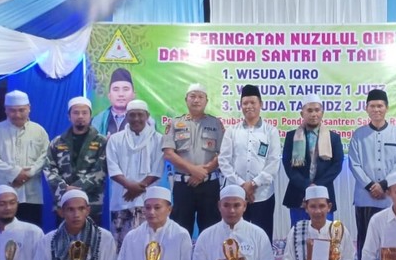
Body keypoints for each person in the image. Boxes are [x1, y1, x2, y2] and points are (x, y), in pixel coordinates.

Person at [348, 88, 396, 260]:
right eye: (372, 106)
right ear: (366, 109)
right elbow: (354, 164)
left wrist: (384, 185)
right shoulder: (359, 134)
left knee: (389, 238)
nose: (376, 109)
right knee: (365, 238)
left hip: (388, 198)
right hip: (364, 198)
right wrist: (370, 186)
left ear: (387, 108)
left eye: (380, 105)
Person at [219, 84, 281, 242]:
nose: (249, 106)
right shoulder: (232, 131)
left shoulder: (270, 131)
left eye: (253, 102)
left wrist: (253, 184)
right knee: (235, 238)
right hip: (236, 195)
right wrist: (242, 185)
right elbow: (224, 161)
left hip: (263, 195)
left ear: (261, 104)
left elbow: (273, 162)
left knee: (263, 237)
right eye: (245, 103)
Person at [162, 83, 225, 235]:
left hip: (209, 185)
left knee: (211, 231)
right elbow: (168, 153)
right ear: (186, 100)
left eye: (200, 97)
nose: (196, 100)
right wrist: (194, 171)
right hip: (183, 186)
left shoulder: (216, 123)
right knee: (180, 230)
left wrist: (206, 170)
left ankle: (209, 259)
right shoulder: (174, 123)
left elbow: (224, 153)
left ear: (206, 101)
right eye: (193, 96)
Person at [0, 90, 49, 226]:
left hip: (31, 195)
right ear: (5, 110)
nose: (17, 115)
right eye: (12, 110)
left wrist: (27, 174)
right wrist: (14, 174)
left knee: (31, 237)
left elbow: (46, 156)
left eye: (21, 110)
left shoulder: (39, 131)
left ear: (29, 108)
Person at [106, 100, 164, 249]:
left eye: (140, 115)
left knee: (149, 247)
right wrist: (129, 186)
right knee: (121, 247)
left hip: (148, 202)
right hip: (121, 200)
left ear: (147, 116)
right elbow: (112, 167)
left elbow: (157, 169)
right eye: (132, 115)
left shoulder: (158, 139)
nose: (136, 119)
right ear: (126, 116)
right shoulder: (115, 139)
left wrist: (138, 188)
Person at [44, 97, 108, 225]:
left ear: (90, 115)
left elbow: (101, 170)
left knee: (92, 243)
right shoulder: (57, 142)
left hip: (91, 204)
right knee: (64, 242)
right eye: (76, 112)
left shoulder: (101, 141)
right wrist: (64, 188)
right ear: (69, 116)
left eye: (84, 113)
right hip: (64, 204)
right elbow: (49, 169)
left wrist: (77, 188)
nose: (80, 116)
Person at [282, 94, 344, 226]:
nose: (314, 114)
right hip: (298, 194)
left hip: (325, 194)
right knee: (298, 236)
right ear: (301, 113)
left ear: (322, 113)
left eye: (317, 110)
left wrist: (317, 186)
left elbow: (337, 165)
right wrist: (307, 186)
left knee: (325, 237)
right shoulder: (291, 136)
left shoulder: (333, 138)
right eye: (309, 110)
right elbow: (288, 166)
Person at [91, 68, 154, 137]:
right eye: (116, 89)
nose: (121, 94)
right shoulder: (98, 120)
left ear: (133, 94)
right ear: (109, 95)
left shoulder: (146, 121)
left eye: (126, 89)